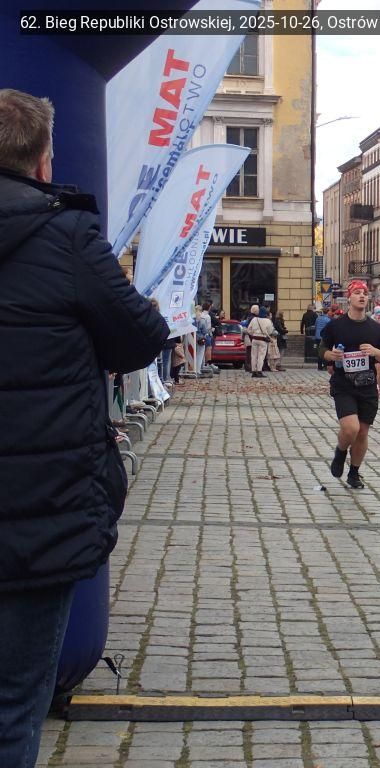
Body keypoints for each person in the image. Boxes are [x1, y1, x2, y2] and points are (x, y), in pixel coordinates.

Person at [0, 87, 168, 767]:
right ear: (45, 160)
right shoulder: (66, 237)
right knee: (15, 704)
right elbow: (142, 338)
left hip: (41, 508)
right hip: (40, 511)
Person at [320, 280, 380, 490]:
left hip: (367, 386)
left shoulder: (375, 329)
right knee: (351, 428)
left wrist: (376, 352)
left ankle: (354, 472)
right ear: (349, 297)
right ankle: (341, 451)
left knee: (362, 432)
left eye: (365, 293)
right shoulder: (336, 325)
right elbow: (321, 349)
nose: (362, 296)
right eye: (357, 293)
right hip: (343, 384)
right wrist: (330, 355)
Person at [314, 306, 333, 371]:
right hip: (323, 337)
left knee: (319, 352)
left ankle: (319, 366)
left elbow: (315, 326)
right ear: (327, 312)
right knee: (325, 351)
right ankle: (325, 366)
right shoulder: (328, 320)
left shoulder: (318, 318)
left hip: (317, 337)